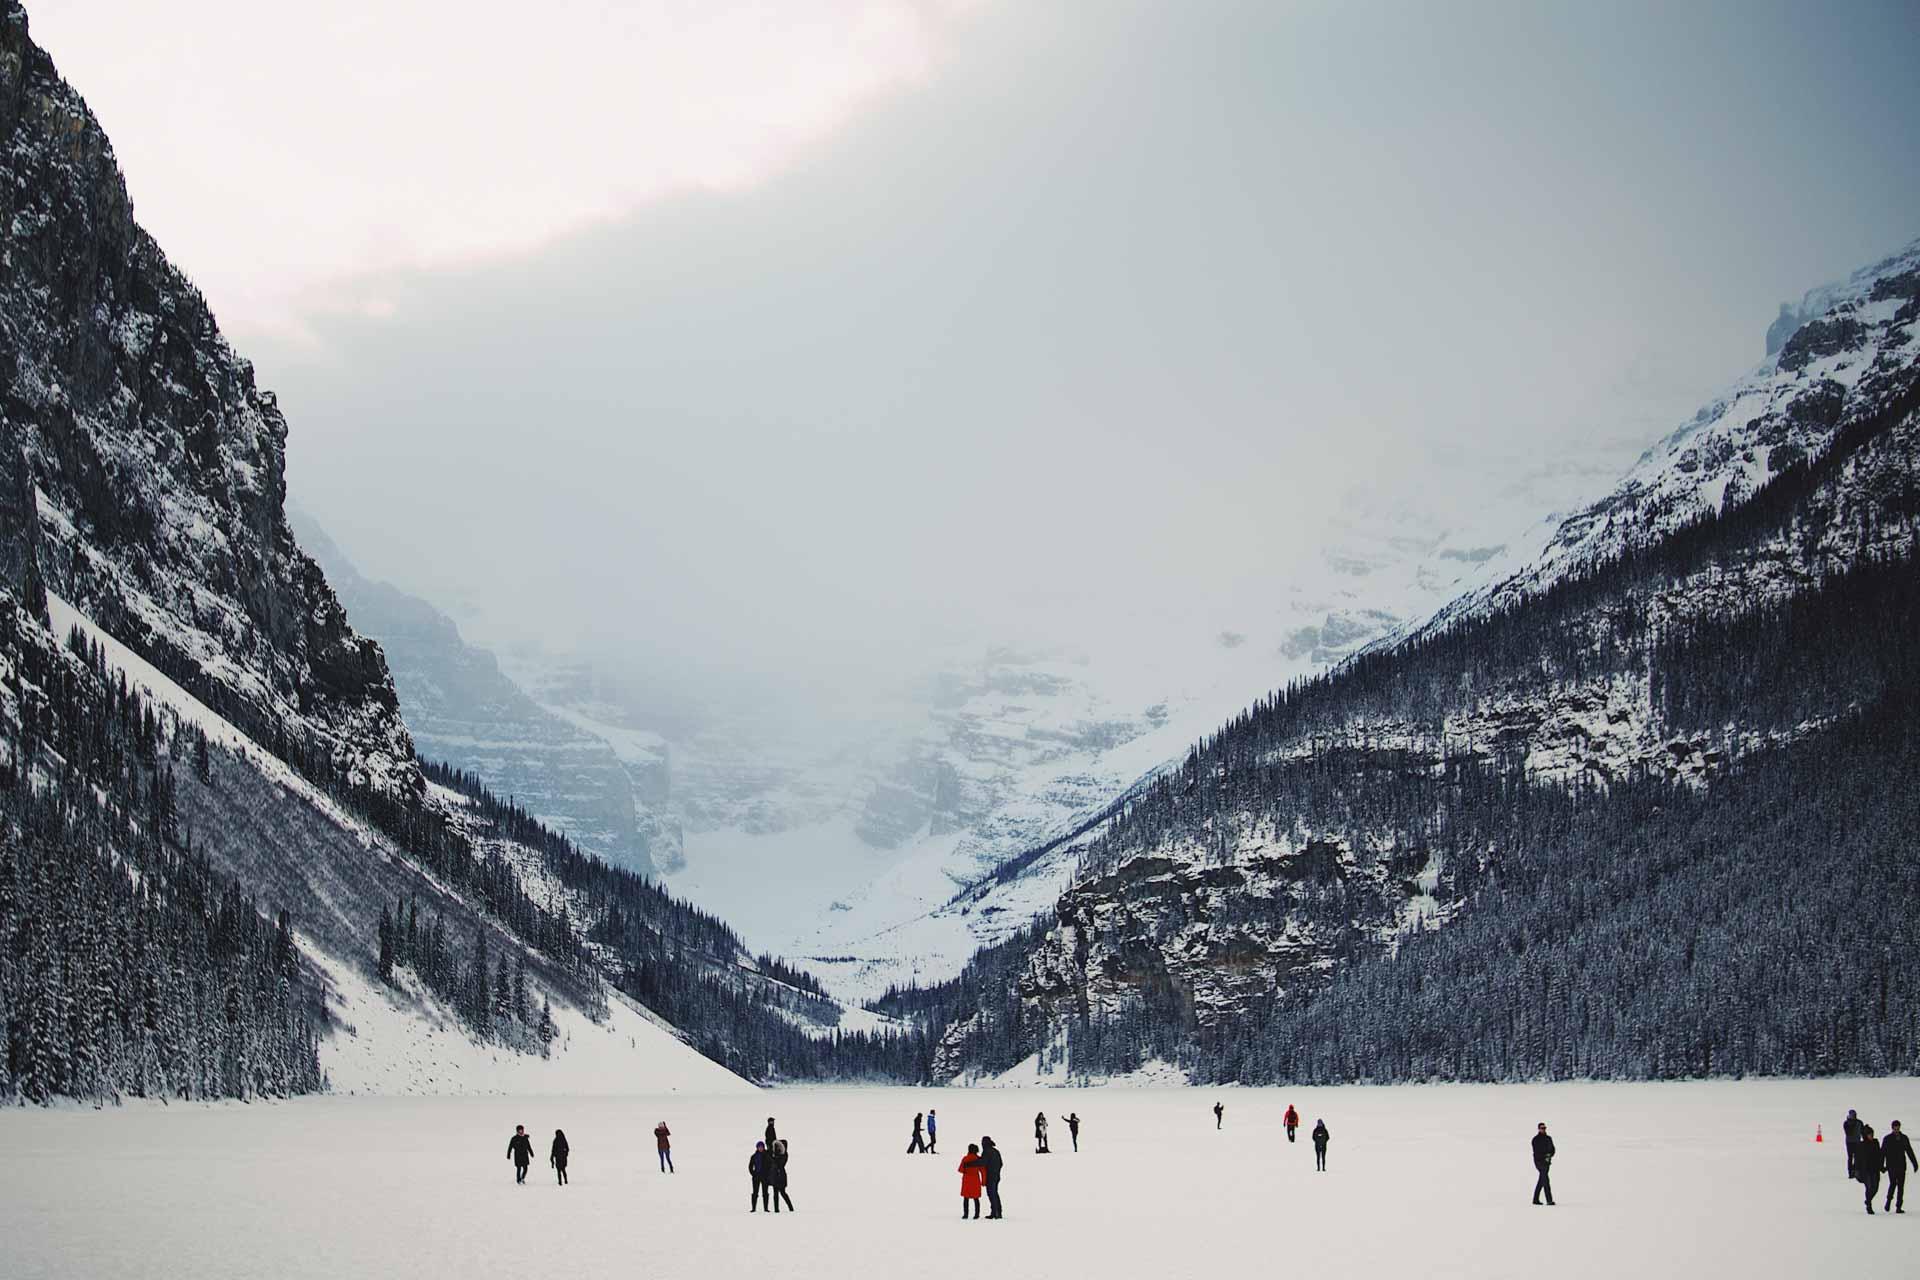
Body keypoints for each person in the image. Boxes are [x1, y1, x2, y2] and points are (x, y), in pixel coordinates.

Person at [1883, 1120, 1915, 1214]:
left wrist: (1914, 1163)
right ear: (1892, 1128)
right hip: (1891, 1166)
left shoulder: (1904, 1138)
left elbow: (1909, 1151)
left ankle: (1898, 1206)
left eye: (1898, 1127)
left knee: (1901, 1186)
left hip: (1901, 1165)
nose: (1896, 1129)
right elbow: (1882, 1152)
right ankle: (1888, 1201)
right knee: (1893, 1184)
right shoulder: (1888, 1139)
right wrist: (1881, 1166)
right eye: (1895, 1127)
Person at [1857, 1123, 1884, 1214]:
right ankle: (1869, 1206)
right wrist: (1856, 1170)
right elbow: (1857, 1158)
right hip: (1866, 1170)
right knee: (1869, 1187)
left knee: (1875, 1188)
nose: (1871, 1136)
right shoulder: (1861, 1145)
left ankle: (1868, 1200)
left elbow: (1880, 1155)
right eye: (1869, 1134)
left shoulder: (1876, 1143)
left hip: (1875, 1169)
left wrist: (1881, 1167)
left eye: (1872, 1134)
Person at [1531, 1122, 1556, 1206]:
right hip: (1539, 1162)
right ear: (1538, 1129)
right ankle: (1549, 1200)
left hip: (1547, 1162)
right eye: (1542, 1128)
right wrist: (1545, 1156)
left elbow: (1553, 1149)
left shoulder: (1549, 1138)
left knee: (1542, 1180)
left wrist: (1550, 1155)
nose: (1543, 1129)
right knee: (1545, 1180)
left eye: (1544, 1128)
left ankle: (1535, 1199)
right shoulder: (1535, 1139)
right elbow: (1536, 1152)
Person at [959, 1143, 986, 1219]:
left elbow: (961, 1170)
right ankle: (977, 1214)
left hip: (966, 1180)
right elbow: (983, 1171)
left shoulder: (965, 1158)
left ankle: (965, 1214)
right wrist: (983, 1182)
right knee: (976, 1198)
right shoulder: (978, 1159)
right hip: (975, 1180)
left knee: (966, 1198)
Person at [980, 1135, 1004, 1219]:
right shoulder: (995, 1151)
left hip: (990, 1177)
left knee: (991, 1194)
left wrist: (970, 1164)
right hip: (996, 1176)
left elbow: (982, 1162)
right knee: (995, 1194)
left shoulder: (986, 1151)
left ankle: (995, 1213)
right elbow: (1001, 1163)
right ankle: (998, 1212)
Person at [769, 1139, 794, 1213]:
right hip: (775, 1176)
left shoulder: (784, 1155)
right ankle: (776, 1209)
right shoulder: (774, 1154)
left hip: (781, 1176)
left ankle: (791, 1207)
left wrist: (775, 1157)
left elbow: (780, 1163)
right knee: (775, 1193)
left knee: (783, 1193)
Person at [749, 1141, 771, 1212]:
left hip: (765, 1177)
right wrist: (753, 1173)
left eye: (761, 1147)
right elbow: (750, 1166)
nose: (760, 1148)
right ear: (757, 1148)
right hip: (756, 1177)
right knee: (755, 1192)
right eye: (759, 1147)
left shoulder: (767, 1155)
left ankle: (766, 1209)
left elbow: (770, 1166)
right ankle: (753, 1208)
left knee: (765, 1193)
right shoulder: (754, 1156)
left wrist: (768, 1174)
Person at [1844, 1109, 1864, 1179]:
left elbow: (1862, 1132)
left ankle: (1855, 1171)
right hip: (1849, 1142)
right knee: (1850, 1157)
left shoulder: (1859, 1122)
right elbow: (1849, 1132)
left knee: (1857, 1157)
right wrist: (1851, 1123)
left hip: (1857, 1142)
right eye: (1851, 1115)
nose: (1853, 1117)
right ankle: (1850, 1172)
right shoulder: (1846, 1123)